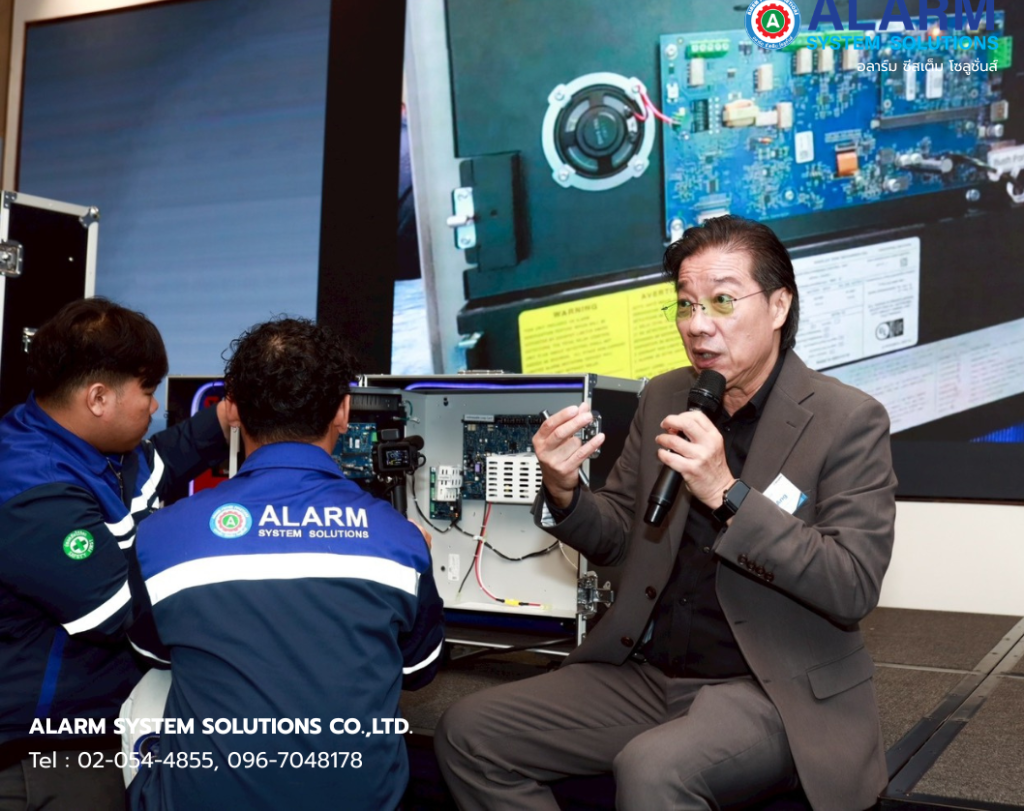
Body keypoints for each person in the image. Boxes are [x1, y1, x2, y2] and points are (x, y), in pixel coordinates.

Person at [435, 216, 897, 811]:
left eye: (722, 301)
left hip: (770, 689)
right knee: (470, 733)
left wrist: (728, 492)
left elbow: (852, 584)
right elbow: (620, 537)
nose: (698, 325)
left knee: (653, 770)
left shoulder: (847, 419)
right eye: (685, 304)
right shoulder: (664, 395)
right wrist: (564, 490)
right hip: (646, 674)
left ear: (779, 305)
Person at [126, 317, 444, 811]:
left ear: (234, 410)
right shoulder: (400, 541)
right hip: (363, 800)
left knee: (150, 693)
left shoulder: (161, 537)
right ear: (343, 411)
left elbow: (153, 653)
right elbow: (418, 669)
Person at [0, 297, 230, 811]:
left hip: (94, 729)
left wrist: (223, 418)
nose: (155, 406)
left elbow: (158, 465)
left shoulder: (90, 448)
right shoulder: (30, 486)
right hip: (42, 754)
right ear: (99, 398)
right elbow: (115, 611)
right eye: (147, 390)